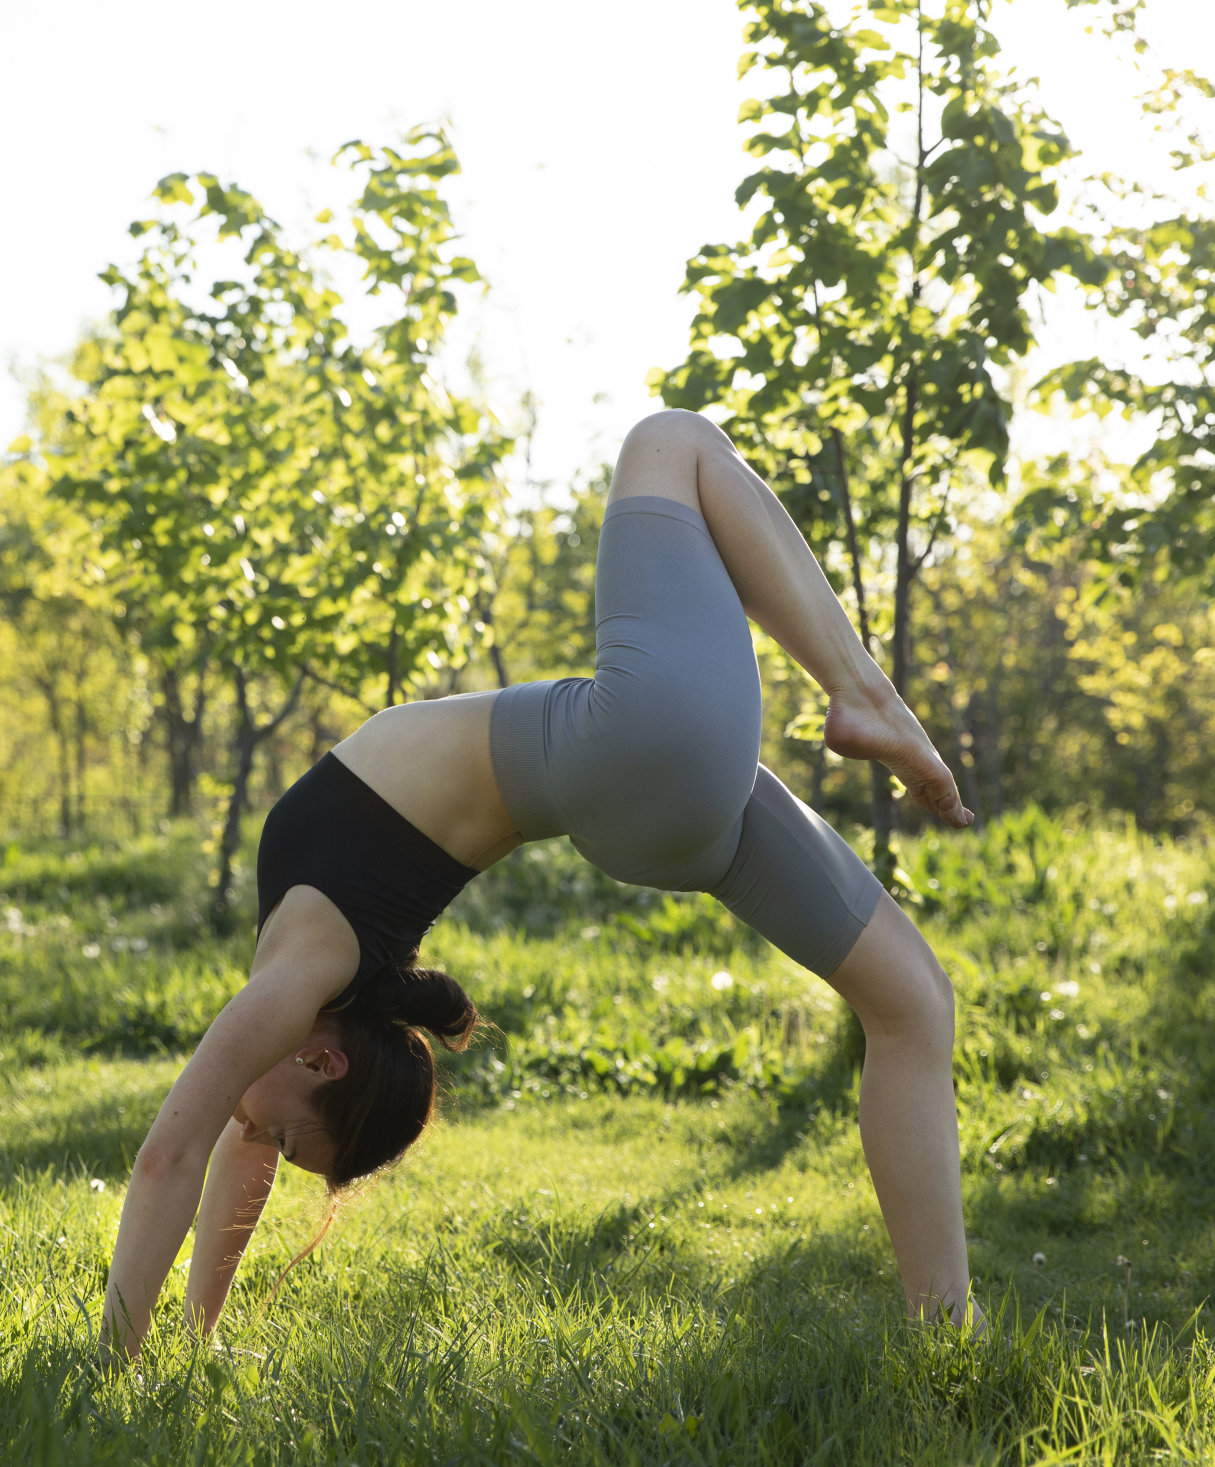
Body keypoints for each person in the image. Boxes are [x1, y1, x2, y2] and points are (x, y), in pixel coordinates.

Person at [100, 409, 976, 1356]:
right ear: (325, 1063)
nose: (254, 1145)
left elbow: (190, 1150)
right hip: (633, 756)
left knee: (914, 1003)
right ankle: (864, 692)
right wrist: (155, 1351)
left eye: (275, 1144)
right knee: (670, 440)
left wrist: (148, 1347)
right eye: (278, 1142)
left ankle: (950, 1335)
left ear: (322, 1061)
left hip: (648, 812)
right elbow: (202, 1151)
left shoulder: (307, 983)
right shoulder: (307, 983)